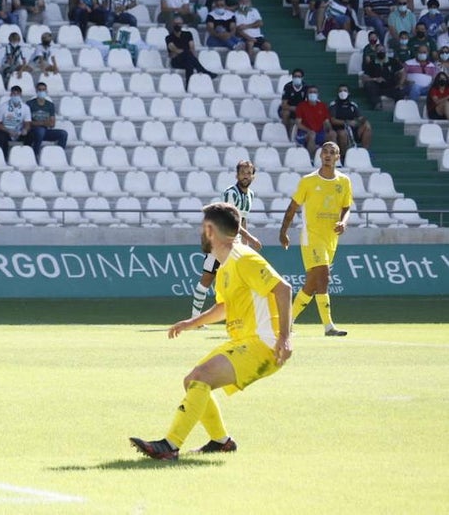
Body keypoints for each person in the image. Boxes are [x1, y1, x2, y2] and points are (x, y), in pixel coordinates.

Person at [130, 202, 292, 460]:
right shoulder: (227, 264)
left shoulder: (243, 257)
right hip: (247, 341)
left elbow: (283, 289)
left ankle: (170, 446)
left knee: (201, 376)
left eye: (201, 228)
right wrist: (190, 323)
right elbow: (225, 307)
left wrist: (284, 337)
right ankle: (221, 441)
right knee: (192, 380)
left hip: (264, 344)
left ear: (209, 229)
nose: (200, 233)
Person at [278, 141, 352, 337]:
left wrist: (344, 222)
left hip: (331, 238)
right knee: (324, 277)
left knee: (312, 283)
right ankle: (329, 326)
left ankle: (287, 322)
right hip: (312, 236)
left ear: (338, 157)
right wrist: (283, 231)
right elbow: (293, 207)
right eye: (325, 152)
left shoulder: (344, 181)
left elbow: (346, 207)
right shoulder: (308, 181)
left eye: (332, 152)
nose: (328, 155)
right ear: (320, 156)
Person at [190, 161, 262, 318]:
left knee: (238, 280)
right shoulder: (231, 193)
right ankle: (195, 317)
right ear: (237, 175)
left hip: (234, 245)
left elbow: (242, 220)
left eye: (249, 173)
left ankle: (239, 316)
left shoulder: (250, 195)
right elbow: (231, 219)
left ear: (253, 177)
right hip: (219, 242)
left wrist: (246, 244)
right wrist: (250, 237)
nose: (246, 176)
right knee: (207, 279)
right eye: (243, 172)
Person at [329, 84, 373, 158]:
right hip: (340, 129)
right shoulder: (334, 105)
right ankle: (345, 156)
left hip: (353, 129)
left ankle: (365, 153)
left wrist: (364, 120)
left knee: (367, 126)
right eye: (340, 91)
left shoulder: (352, 105)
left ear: (348, 93)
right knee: (342, 133)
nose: (342, 93)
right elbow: (333, 120)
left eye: (345, 91)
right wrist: (346, 122)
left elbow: (360, 117)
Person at [293, 85, 334, 157]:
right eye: (310, 92)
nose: (312, 94)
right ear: (307, 94)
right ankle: (311, 159)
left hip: (319, 132)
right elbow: (298, 123)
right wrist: (309, 130)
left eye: (314, 92)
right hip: (303, 133)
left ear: (318, 94)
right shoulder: (301, 106)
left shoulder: (322, 106)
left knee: (332, 134)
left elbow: (326, 122)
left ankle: (332, 158)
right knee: (312, 135)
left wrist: (330, 129)